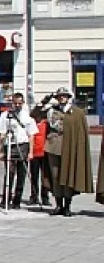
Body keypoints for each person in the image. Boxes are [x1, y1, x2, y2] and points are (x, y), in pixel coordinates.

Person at [42, 88, 92, 217]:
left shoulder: (76, 112)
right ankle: (58, 205)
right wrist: (45, 100)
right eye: (59, 96)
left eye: (64, 96)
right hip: (54, 147)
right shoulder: (51, 110)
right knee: (56, 176)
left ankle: (67, 206)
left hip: (70, 147)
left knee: (68, 176)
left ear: (68, 97)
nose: (61, 98)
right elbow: (35, 114)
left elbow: (81, 131)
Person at [0, 92, 38, 209]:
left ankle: (17, 200)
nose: (17, 105)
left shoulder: (27, 117)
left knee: (21, 175)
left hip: (23, 145)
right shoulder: (5, 115)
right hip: (10, 145)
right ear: (12, 103)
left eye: (20, 103)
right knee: (9, 173)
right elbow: (2, 133)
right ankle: (6, 199)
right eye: (15, 103)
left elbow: (31, 135)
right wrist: (1, 150)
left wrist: (31, 152)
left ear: (23, 103)